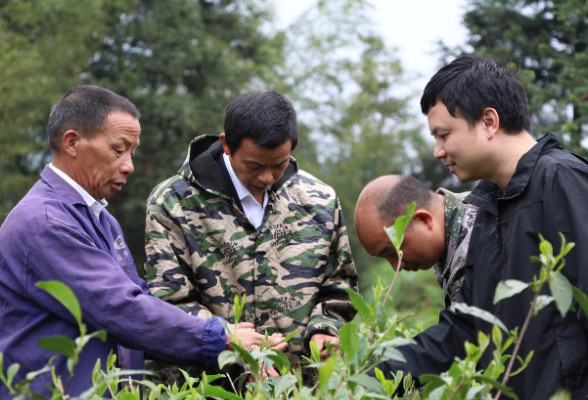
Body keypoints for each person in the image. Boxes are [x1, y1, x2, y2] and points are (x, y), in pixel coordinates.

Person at [0, 85, 282, 397]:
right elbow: (119, 308)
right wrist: (219, 337)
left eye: (132, 153)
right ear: (72, 142)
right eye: (118, 150)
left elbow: (139, 297)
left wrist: (230, 333)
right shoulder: (46, 222)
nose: (129, 166)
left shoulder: (100, 219)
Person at [375, 56, 588, 399]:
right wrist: (370, 374)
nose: (437, 151)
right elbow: (467, 329)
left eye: (443, 134)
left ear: (489, 121)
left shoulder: (561, 180)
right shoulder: (487, 208)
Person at [145, 91, 358, 380]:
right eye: (254, 165)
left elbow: (339, 284)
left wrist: (326, 329)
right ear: (226, 145)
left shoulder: (319, 201)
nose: (267, 178)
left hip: (298, 386)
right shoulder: (173, 203)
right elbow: (169, 301)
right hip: (209, 385)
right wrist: (228, 341)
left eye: (279, 163)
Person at [354, 175, 477, 310]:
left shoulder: (476, 240)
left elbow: (465, 326)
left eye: (394, 249)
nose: (396, 267)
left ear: (423, 219)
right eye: (383, 257)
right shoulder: (445, 236)